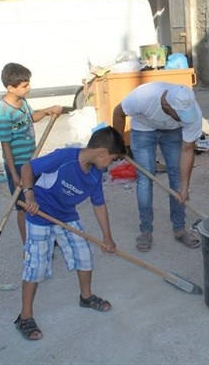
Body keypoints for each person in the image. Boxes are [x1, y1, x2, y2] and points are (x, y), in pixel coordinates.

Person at [15, 126, 127, 340]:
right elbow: (28, 168)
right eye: (112, 159)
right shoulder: (65, 157)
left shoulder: (95, 174)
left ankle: (86, 297)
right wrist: (29, 196)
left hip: (66, 216)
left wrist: (107, 237)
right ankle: (25, 316)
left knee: (84, 256)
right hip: (40, 215)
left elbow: (99, 204)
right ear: (102, 152)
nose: (111, 165)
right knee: (35, 266)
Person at [112, 82, 202, 252]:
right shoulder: (142, 97)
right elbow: (118, 112)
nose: (184, 117)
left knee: (176, 178)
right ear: (167, 105)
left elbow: (188, 149)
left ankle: (180, 229)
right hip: (143, 130)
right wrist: (118, 144)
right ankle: (146, 231)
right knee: (145, 178)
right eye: (180, 114)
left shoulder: (193, 112)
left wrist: (184, 188)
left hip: (173, 132)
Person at [0, 62, 62, 244]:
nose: (28, 88)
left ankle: (45, 236)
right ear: (10, 88)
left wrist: (48, 111)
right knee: (23, 205)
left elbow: (31, 118)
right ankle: (29, 244)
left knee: (39, 198)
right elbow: (5, 146)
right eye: (24, 86)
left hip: (32, 161)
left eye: (28, 83)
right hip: (17, 164)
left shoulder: (22, 103)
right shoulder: (4, 114)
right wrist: (14, 173)